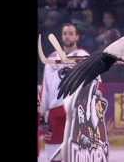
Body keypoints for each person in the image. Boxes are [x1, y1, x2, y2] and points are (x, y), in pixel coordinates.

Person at [39, 23, 90, 161]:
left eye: (71, 33)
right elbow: (46, 86)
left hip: (76, 111)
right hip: (55, 111)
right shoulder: (51, 58)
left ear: (77, 37)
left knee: (76, 154)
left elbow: (94, 83)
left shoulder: (84, 56)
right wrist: (42, 112)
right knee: (53, 155)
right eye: (65, 33)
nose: (67, 36)